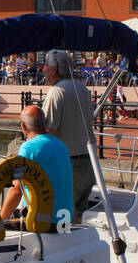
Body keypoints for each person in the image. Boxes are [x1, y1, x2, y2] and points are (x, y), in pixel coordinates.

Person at [40, 48, 96, 214]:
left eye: (46, 66)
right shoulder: (82, 88)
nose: (44, 70)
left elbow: (47, 130)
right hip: (88, 162)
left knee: (61, 216)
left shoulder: (56, 92)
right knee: (78, 215)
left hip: (68, 163)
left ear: (54, 69)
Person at [0, 105, 74, 230]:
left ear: (23, 126)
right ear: (44, 123)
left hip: (42, 221)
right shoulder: (60, 145)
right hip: (65, 219)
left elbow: (16, 190)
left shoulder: (28, 148)